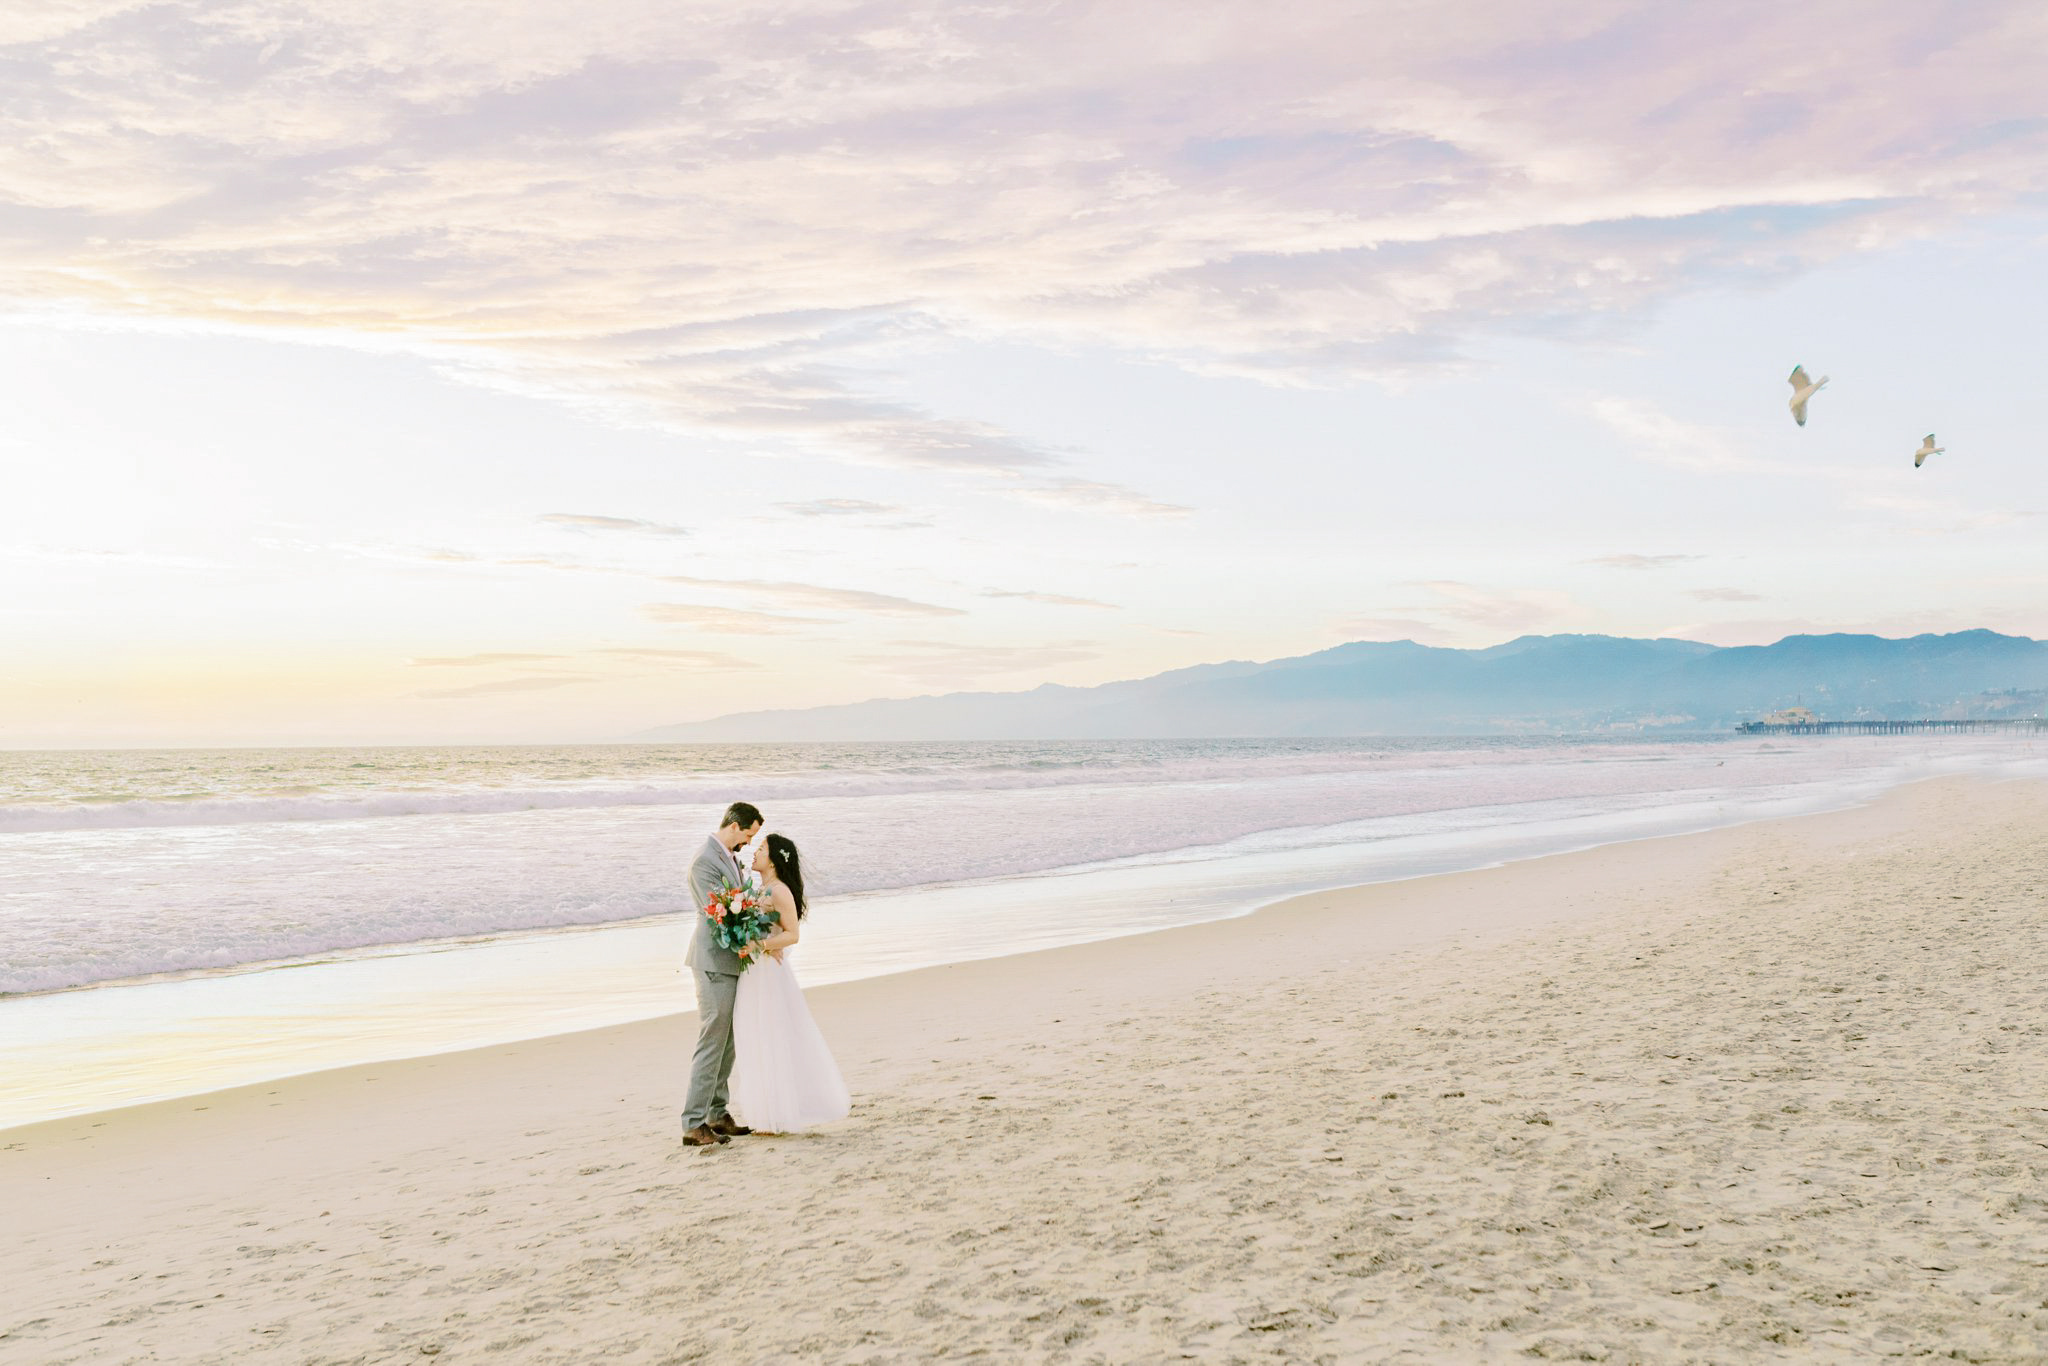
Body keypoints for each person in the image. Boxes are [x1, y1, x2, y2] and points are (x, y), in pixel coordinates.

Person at [728, 834, 850, 1135]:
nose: (755, 853)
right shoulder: (761, 889)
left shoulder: (780, 891)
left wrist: (761, 944)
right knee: (754, 1036)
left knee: (770, 1036)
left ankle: (777, 1115)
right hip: (755, 971)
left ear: (772, 859)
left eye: (761, 849)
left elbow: (792, 934)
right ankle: (765, 1114)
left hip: (768, 974)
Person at [680, 801, 762, 1148]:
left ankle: (717, 1112)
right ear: (733, 824)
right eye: (748, 833)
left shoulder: (728, 857)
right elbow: (721, 914)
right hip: (713, 960)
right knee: (712, 1039)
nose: (748, 842)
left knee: (728, 1039)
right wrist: (756, 937)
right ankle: (693, 1122)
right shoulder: (704, 861)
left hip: (730, 961)